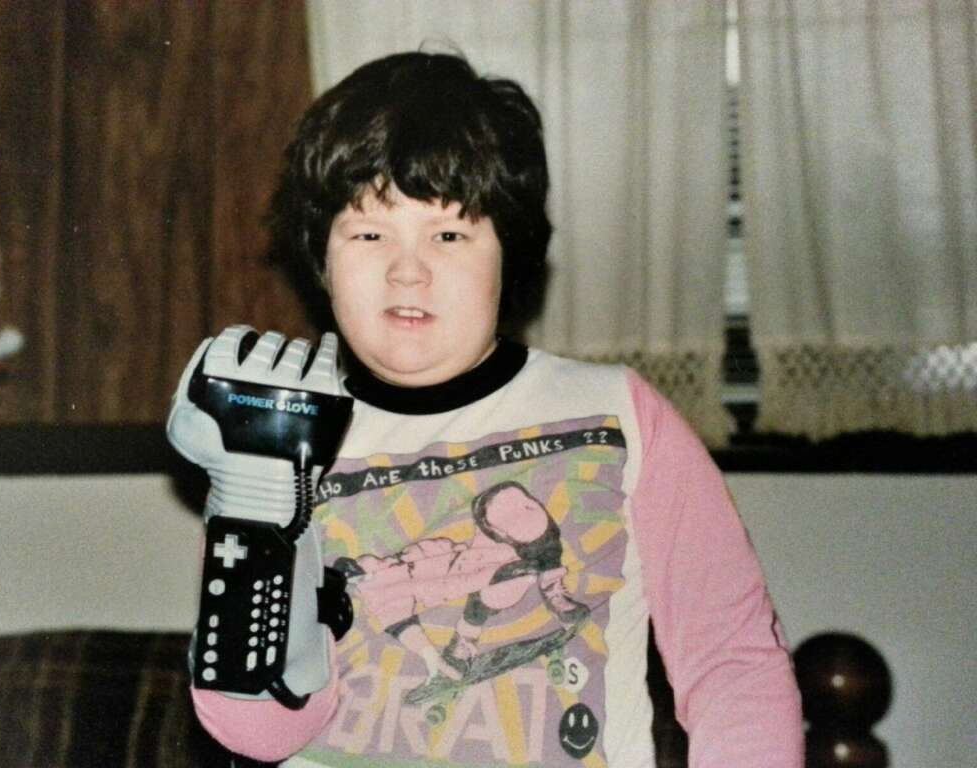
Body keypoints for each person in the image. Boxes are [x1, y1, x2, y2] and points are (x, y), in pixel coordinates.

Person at [187, 51, 803, 767]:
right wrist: (255, 514)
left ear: (510, 252)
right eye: (368, 233)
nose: (407, 268)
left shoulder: (619, 414)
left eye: (449, 235)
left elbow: (734, 667)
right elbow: (257, 733)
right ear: (321, 259)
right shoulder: (272, 442)